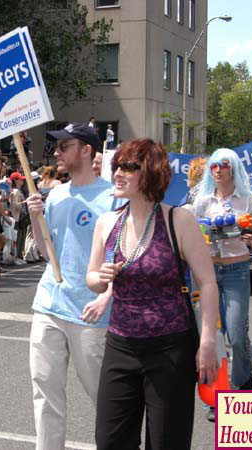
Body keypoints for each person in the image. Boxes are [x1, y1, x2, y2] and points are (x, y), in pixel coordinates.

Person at [87, 138, 219, 450]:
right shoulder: (108, 222)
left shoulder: (179, 220)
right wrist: (100, 277)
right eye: (117, 165)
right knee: (110, 441)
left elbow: (208, 282)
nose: (118, 173)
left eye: (128, 167)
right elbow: (91, 279)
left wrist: (208, 342)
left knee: (165, 443)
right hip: (120, 346)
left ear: (150, 173)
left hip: (170, 349)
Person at [24, 122, 124, 450]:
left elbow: (123, 256)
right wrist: (35, 220)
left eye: (64, 146)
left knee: (104, 397)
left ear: (86, 150)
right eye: (57, 146)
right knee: (45, 391)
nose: (56, 152)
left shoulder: (113, 197)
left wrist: (107, 296)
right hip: (49, 304)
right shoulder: (55, 195)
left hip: (91, 312)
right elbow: (45, 249)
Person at [192, 149, 252, 397]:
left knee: (236, 332)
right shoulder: (201, 202)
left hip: (237, 270)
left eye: (224, 165)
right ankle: (215, 395)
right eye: (213, 166)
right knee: (212, 335)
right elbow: (192, 239)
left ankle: (243, 375)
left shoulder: (249, 201)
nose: (218, 169)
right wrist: (202, 239)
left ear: (233, 168)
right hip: (208, 271)